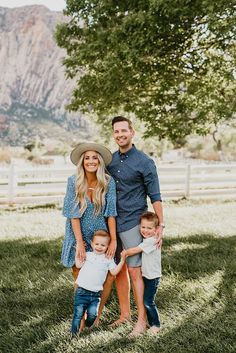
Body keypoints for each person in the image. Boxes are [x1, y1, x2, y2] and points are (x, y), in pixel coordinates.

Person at [98, 116, 164, 336]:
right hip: (112, 223)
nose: (120, 135)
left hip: (132, 224)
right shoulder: (111, 161)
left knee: (135, 273)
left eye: (123, 131)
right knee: (119, 271)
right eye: (116, 132)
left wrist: (160, 225)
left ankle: (142, 321)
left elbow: (155, 196)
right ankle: (124, 314)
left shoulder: (145, 162)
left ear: (132, 132)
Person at [61, 142, 117, 280]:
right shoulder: (73, 181)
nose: (91, 161)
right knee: (79, 273)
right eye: (87, 158)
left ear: (100, 161)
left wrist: (114, 240)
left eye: (94, 157)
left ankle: (99, 302)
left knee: (104, 273)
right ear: (82, 161)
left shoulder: (108, 182)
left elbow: (111, 214)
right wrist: (79, 242)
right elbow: (73, 215)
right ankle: (80, 302)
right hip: (77, 233)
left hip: (100, 235)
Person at [71, 230, 126, 337]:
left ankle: (88, 324)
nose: (99, 247)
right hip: (81, 292)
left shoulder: (108, 259)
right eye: (97, 244)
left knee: (93, 315)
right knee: (78, 315)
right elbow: (78, 265)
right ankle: (74, 335)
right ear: (92, 244)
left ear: (108, 246)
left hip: (95, 295)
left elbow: (114, 272)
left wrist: (122, 261)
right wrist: (78, 249)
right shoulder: (87, 255)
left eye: (103, 245)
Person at [124, 212, 162, 334]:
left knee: (148, 301)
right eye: (143, 227)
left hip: (153, 277)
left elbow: (136, 250)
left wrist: (125, 252)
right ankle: (149, 323)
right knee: (147, 301)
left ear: (156, 229)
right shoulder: (148, 238)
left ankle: (156, 324)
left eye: (149, 228)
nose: (145, 230)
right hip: (147, 275)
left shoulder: (152, 241)